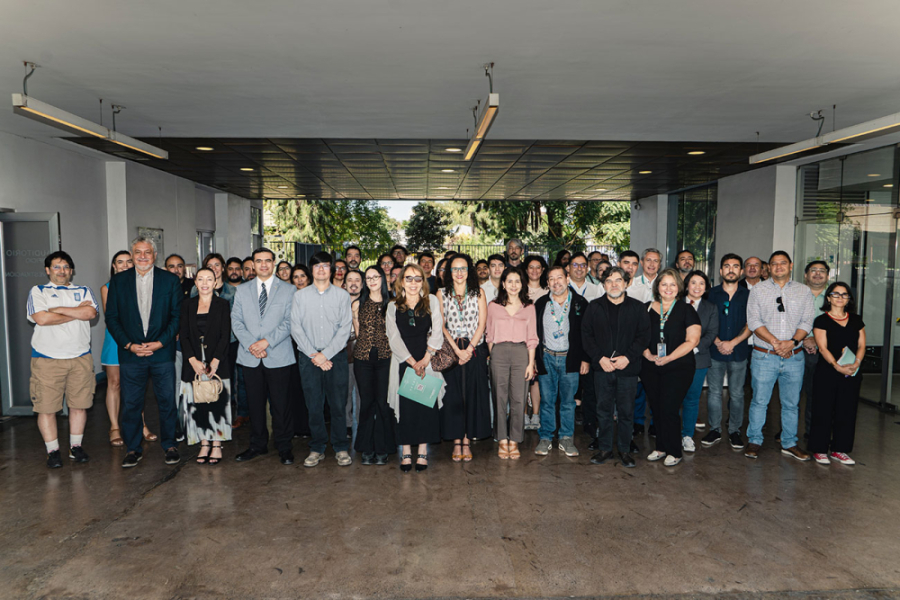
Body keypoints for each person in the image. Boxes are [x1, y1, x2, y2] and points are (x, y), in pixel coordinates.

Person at [105, 236, 183, 468]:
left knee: (167, 401)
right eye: (137, 252)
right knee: (131, 404)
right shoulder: (118, 282)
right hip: (131, 354)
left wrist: (160, 343)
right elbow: (112, 318)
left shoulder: (169, 281)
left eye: (146, 252)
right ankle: (133, 448)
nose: (141, 256)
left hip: (161, 352)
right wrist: (129, 345)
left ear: (154, 255)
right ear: (132, 254)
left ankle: (169, 445)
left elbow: (177, 317)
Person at [27, 251, 99, 468]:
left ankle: (75, 447)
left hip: (80, 358)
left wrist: (59, 310)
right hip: (47, 360)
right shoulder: (38, 291)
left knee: (79, 405)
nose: (62, 271)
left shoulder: (83, 290)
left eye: (66, 267)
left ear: (72, 270)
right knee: (47, 408)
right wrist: (77, 311)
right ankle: (53, 451)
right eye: (56, 267)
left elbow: (91, 314)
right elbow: (42, 318)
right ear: (48, 270)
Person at [745, 251, 815, 461]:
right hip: (764, 356)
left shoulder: (803, 291)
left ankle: (789, 443)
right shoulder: (758, 290)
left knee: (791, 403)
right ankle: (754, 440)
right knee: (759, 401)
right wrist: (776, 343)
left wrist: (792, 343)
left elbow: (807, 321)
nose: (778, 267)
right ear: (769, 268)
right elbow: (754, 321)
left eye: (782, 263)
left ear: (790, 266)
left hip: (794, 357)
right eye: (774, 264)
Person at [232, 248, 297, 466]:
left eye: (267, 261)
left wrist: (266, 342)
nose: (263, 265)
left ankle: (284, 446)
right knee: (255, 404)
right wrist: (252, 344)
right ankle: (257, 445)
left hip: (278, 354)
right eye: (258, 261)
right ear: (252, 264)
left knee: (281, 404)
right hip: (250, 356)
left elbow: (290, 322)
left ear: (273, 263)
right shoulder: (242, 290)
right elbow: (237, 322)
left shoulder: (289, 290)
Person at [582, 266, 650, 468]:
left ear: (626, 283)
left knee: (626, 411)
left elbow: (644, 336)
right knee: (602, 410)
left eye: (618, 280)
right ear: (603, 285)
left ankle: (625, 450)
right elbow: (586, 335)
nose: (614, 284)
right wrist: (599, 358)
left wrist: (628, 358)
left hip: (627, 368)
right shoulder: (593, 307)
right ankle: (604, 449)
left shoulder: (638, 308)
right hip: (602, 368)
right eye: (609, 281)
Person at [291, 252, 353, 468]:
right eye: (317, 266)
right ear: (311, 270)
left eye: (325, 266)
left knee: (337, 404)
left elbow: (345, 329)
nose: (321, 269)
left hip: (335, 358)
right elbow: (295, 329)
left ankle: (340, 447)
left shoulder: (342, 296)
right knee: (314, 405)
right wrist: (314, 356)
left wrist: (325, 355)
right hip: (309, 358)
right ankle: (317, 447)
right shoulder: (300, 297)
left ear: (332, 269)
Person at [386, 264, 445, 472]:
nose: (413, 283)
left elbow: (438, 329)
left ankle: (421, 451)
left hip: (427, 360)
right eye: (409, 278)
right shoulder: (393, 305)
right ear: (402, 280)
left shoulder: (432, 302)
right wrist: (412, 362)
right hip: (403, 362)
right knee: (406, 408)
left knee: (424, 407)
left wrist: (426, 359)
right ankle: (406, 452)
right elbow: (393, 338)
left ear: (423, 281)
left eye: (418, 278)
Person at [641, 268, 701, 467]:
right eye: (664, 284)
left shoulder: (687, 309)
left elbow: (692, 341)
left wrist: (668, 358)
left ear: (679, 288)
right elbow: (637, 338)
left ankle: (674, 451)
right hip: (650, 366)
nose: (668, 288)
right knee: (656, 408)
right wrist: (647, 354)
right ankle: (660, 447)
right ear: (657, 287)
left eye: (672, 284)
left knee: (669, 407)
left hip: (679, 366)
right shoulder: (646, 308)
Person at [437, 254, 491, 462]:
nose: (459, 273)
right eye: (455, 269)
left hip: (474, 349)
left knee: (471, 396)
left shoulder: (479, 293)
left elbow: (482, 323)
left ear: (469, 271)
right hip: (451, 350)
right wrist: (457, 350)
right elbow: (441, 325)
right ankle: (456, 440)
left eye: (463, 269)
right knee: (453, 398)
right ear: (449, 272)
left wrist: (468, 349)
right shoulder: (442, 293)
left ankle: (467, 440)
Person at [533, 265, 590, 457]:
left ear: (567, 279)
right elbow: (534, 334)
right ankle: (546, 437)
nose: (556, 282)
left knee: (568, 402)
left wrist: (585, 358)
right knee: (547, 401)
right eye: (551, 279)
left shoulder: (580, 303)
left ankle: (566, 438)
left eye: (560, 277)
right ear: (547, 283)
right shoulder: (540, 304)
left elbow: (587, 334)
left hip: (570, 359)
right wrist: (534, 359)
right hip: (546, 357)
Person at [179, 267, 232, 464]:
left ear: (215, 281)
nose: (204, 283)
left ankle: (217, 443)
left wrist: (216, 361)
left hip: (217, 361)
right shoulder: (187, 305)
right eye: (200, 279)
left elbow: (225, 335)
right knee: (197, 402)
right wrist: (192, 360)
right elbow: (183, 335)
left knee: (216, 403)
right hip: (193, 363)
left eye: (209, 279)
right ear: (195, 282)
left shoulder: (222, 305)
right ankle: (203, 443)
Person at [809, 283, 865, 466]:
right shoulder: (821, 321)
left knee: (847, 410)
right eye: (836, 294)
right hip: (827, 371)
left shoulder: (856, 320)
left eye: (845, 295)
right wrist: (836, 366)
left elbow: (862, 345)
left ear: (849, 299)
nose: (840, 298)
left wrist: (856, 363)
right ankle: (819, 449)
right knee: (823, 410)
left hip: (851, 371)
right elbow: (822, 348)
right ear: (828, 298)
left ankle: (839, 450)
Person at [486, 267, 538, 460]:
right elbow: (489, 335)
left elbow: (532, 337)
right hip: (498, 352)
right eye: (510, 281)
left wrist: (530, 363)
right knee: (499, 398)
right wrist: (494, 357)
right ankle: (501, 440)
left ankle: (515, 440)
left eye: (517, 281)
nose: (514, 285)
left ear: (522, 284)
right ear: (504, 284)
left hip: (521, 353)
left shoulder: (529, 307)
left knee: (518, 399)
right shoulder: (493, 306)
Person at [703, 254, 751, 449]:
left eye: (735, 266)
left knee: (737, 393)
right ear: (721, 271)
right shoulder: (710, 294)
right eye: (727, 266)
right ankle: (714, 429)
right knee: (714, 392)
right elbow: (703, 321)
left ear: (741, 271)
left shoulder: (749, 296)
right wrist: (718, 342)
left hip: (739, 352)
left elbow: (753, 324)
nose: (731, 270)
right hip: (714, 352)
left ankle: (734, 431)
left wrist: (733, 342)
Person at [352, 266, 395, 465]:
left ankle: (383, 447)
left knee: (383, 404)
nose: (372, 280)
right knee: (367, 404)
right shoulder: (357, 304)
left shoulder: (393, 304)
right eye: (368, 278)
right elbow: (358, 333)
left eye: (375, 276)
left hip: (387, 359)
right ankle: (366, 448)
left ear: (383, 279)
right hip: (363, 360)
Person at [679, 270, 719, 453]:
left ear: (706, 287)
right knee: (672, 398)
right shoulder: (676, 303)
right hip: (674, 358)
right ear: (686, 285)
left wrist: (693, 348)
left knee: (692, 399)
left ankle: (687, 435)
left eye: (701, 283)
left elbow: (711, 334)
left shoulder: (710, 308)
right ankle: (670, 433)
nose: (697, 287)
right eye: (693, 283)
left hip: (699, 359)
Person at [101, 251, 137, 447]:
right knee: (114, 383)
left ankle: (140, 424)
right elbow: (112, 318)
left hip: (138, 340)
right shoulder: (107, 288)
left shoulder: (141, 287)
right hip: (116, 340)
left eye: (128, 261)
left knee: (136, 384)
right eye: (120, 262)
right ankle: (114, 427)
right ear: (114, 266)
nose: (124, 265)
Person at [801, 260, 830, 439]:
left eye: (822, 271)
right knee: (794, 395)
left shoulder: (835, 296)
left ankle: (815, 432)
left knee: (821, 394)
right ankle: (788, 431)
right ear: (806, 275)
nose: (817, 274)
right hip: (799, 348)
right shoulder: (796, 294)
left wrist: (817, 341)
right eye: (813, 270)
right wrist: (805, 339)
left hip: (827, 351)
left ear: (828, 275)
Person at [287, 264, 312, 438]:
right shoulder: (288, 297)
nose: (299, 280)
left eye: (302, 276)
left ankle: (310, 426)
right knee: (294, 387)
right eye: (295, 277)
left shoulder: (313, 296)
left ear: (308, 278)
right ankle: (297, 426)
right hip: (290, 347)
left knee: (309, 388)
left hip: (310, 347)